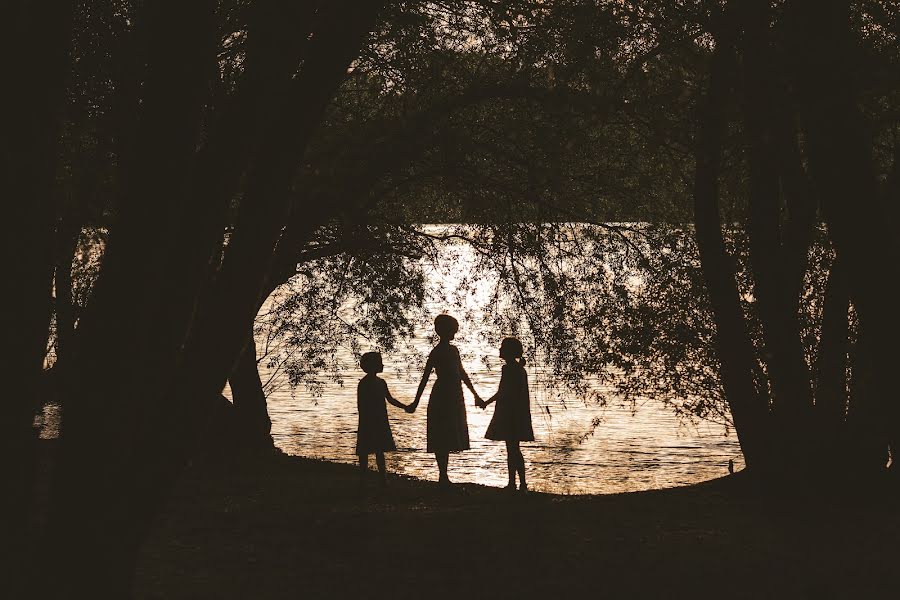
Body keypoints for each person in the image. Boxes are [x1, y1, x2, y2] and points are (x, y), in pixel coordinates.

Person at [407, 314, 482, 486]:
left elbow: (462, 373)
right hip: (442, 395)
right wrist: (416, 402)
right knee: (441, 434)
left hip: (455, 395)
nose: (455, 333)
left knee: (449, 433)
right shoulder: (437, 352)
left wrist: (475, 395)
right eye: (453, 330)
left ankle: (444, 476)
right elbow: (425, 377)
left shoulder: (454, 350)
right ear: (445, 331)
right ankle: (443, 475)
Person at [480, 337, 534, 492]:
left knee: (512, 449)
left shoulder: (509, 369)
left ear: (508, 351)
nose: (499, 349)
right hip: (518, 413)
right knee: (513, 449)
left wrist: (486, 402)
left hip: (509, 413)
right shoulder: (520, 369)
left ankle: (515, 483)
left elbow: (503, 392)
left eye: (502, 347)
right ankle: (519, 483)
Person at [356, 351, 408, 486]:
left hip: (379, 419)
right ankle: (364, 478)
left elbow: (390, 399)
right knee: (366, 450)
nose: (382, 365)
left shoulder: (381, 382)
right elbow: (361, 404)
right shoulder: (364, 384)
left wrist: (404, 407)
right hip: (369, 420)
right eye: (380, 363)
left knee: (378, 450)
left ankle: (382, 478)